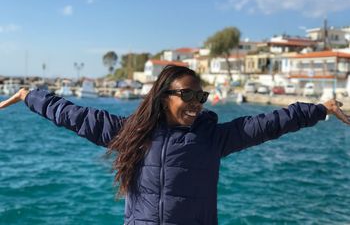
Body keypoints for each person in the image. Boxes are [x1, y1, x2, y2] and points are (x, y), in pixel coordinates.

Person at [0, 65, 349, 225]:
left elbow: (268, 124)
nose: (197, 102)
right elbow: (74, 115)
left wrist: (319, 109)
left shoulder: (213, 138)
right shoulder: (131, 134)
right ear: (162, 96)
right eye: (188, 94)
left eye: (201, 95)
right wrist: (30, 95)